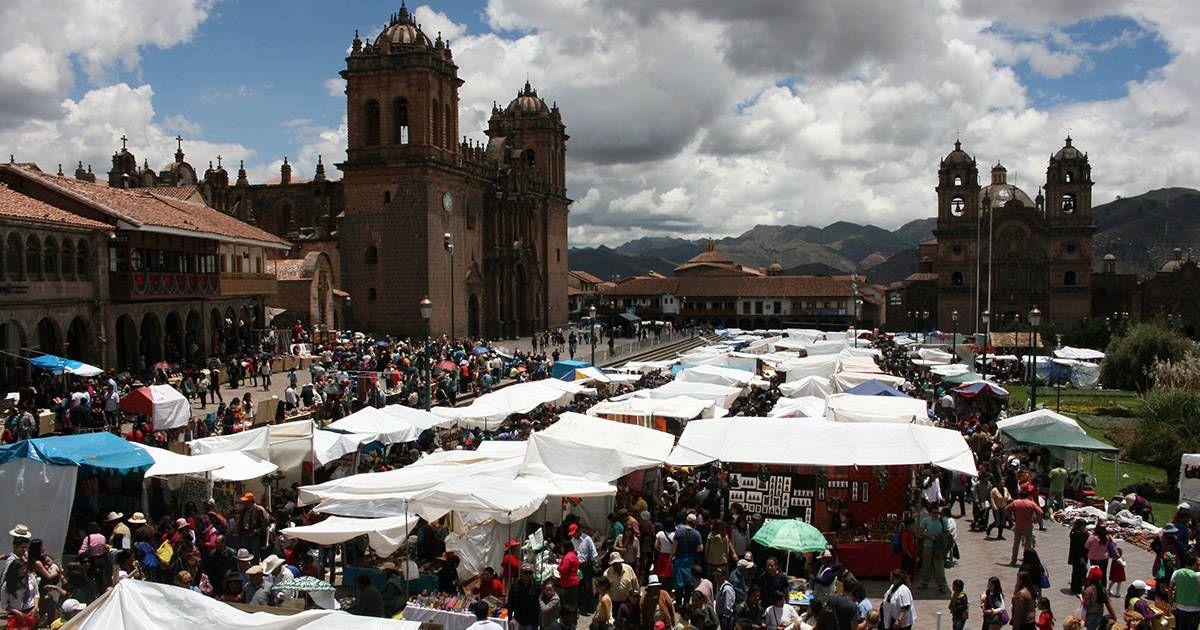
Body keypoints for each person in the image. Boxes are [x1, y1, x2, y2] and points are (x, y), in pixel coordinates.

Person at [1005, 488, 1043, 566]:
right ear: (1028, 496)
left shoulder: (1015, 502)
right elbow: (1040, 512)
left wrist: (1011, 518)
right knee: (1028, 544)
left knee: (1016, 544)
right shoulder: (1031, 503)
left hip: (1018, 524)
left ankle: (1013, 560)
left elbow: (1006, 509)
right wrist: (1036, 520)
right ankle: (1026, 560)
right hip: (1028, 525)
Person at [917, 505, 949, 592]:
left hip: (938, 548)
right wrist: (930, 537)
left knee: (939, 566)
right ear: (930, 513)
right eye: (934, 513)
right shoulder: (926, 520)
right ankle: (924, 582)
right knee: (926, 565)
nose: (936, 515)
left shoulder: (943, 521)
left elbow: (947, 532)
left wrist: (941, 538)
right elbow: (920, 532)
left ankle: (942, 585)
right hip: (928, 546)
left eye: (938, 513)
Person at [569, 523, 598, 613]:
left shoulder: (587, 539)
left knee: (588, 587)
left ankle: (591, 607)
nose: (573, 535)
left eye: (574, 533)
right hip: (577, 565)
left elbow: (594, 553)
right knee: (580, 586)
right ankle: (583, 606)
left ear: (579, 531)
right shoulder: (573, 540)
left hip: (586, 565)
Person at [1, 558, 37, 629]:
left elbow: (36, 594)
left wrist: (36, 607)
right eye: (21, 569)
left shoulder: (31, 578)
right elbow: (4, 604)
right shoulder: (7, 584)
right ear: (15, 570)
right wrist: (17, 612)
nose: (24, 571)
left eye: (25, 568)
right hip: (15, 614)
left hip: (30, 611)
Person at [1081, 566, 1116, 630]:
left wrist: (1081, 599)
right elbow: (1108, 603)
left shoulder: (1088, 590)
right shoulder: (1103, 589)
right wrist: (1113, 615)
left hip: (1090, 616)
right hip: (1100, 615)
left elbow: (1086, 605)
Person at [1171, 553, 1200, 630]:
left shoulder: (1177, 572)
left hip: (1180, 608)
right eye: (1197, 564)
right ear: (1193, 564)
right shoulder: (1197, 576)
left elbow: (1170, 589)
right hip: (1195, 609)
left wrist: (1171, 604)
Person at [507, 565, 540, 630]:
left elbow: (539, 604)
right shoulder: (515, 585)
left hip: (532, 621)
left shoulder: (536, 587)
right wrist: (510, 619)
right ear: (521, 574)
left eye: (530, 573)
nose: (528, 575)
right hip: (518, 620)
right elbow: (510, 603)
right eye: (525, 573)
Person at [1068, 519, 1090, 595]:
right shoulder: (1078, 535)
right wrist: (1081, 557)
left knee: (1076, 572)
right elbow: (1079, 547)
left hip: (1076, 556)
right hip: (1080, 556)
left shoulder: (1074, 533)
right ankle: (1077, 588)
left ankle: (1075, 587)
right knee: (1080, 572)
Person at [558, 543, 581, 611]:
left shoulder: (567, 557)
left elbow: (563, 569)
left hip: (568, 583)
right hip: (574, 582)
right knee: (574, 603)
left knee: (568, 604)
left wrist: (558, 567)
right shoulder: (574, 555)